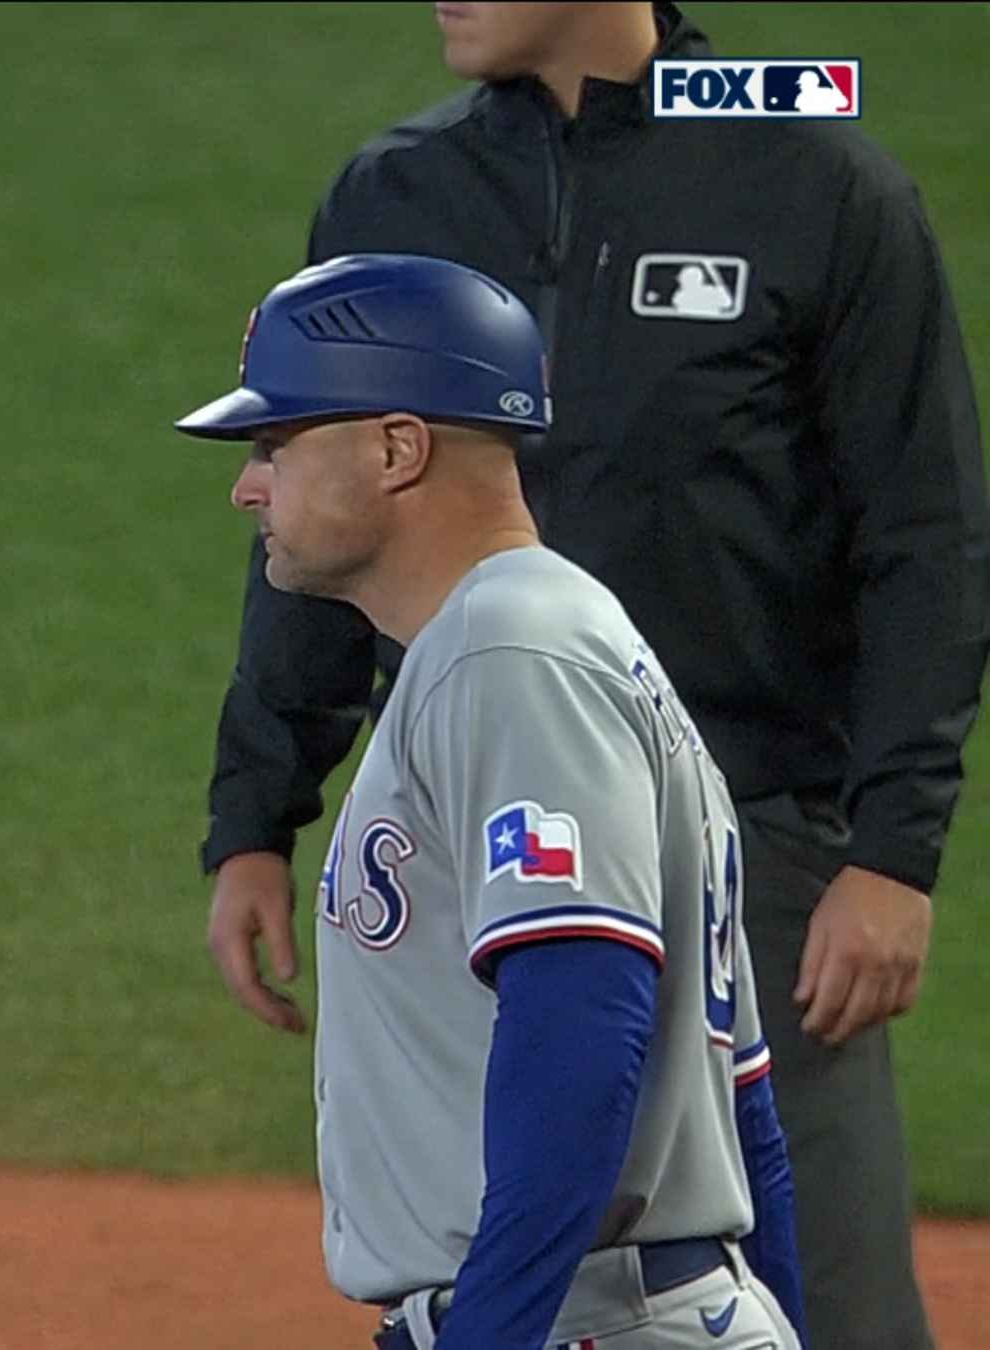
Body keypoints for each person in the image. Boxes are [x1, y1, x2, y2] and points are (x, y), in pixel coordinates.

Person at [199, 7, 987, 1346]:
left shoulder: (807, 174)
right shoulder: (403, 189)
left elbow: (928, 530)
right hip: (470, 809)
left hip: (760, 828)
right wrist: (256, 813)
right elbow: (321, 534)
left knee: (809, 1267)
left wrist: (895, 847)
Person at [180, 251, 804, 1348]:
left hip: (585, 1323)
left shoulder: (511, 652)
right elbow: (745, 1099)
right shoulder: (554, 642)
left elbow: (580, 1029)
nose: (247, 486)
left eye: (277, 444)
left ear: (396, 448)